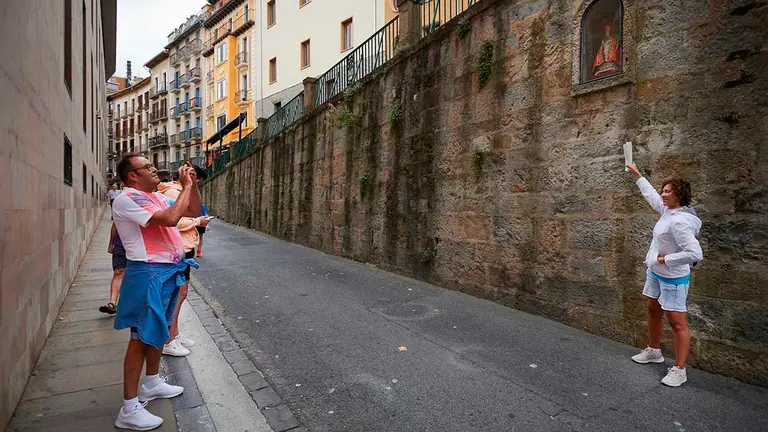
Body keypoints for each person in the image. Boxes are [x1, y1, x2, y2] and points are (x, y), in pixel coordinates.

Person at [111, 153, 201, 430]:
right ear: (132, 176)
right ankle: (128, 408)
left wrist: (193, 185)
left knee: (158, 331)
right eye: (147, 167)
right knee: (139, 338)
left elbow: (192, 211)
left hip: (167, 272)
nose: (154, 169)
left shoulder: (157, 196)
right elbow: (171, 220)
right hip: (147, 274)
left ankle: (151, 383)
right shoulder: (128, 198)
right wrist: (184, 187)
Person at [626, 163, 703, 387]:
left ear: (679, 195)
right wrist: (638, 175)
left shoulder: (680, 221)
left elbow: (695, 253)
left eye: (668, 191)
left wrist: (665, 259)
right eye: (664, 190)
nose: (663, 194)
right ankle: (654, 351)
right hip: (656, 273)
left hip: (673, 278)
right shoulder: (669, 212)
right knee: (653, 310)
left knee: (677, 322)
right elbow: (651, 196)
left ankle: (679, 369)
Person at [157, 180, 209, 356]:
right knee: (177, 295)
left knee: (180, 294)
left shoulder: (182, 193)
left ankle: (174, 334)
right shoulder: (173, 193)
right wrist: (196, 221)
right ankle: (168, 339)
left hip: (184, 248)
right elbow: (173, 221)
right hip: (179, 249)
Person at [99, 223, 125, 315]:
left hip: (141, 246)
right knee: (118, 272)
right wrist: (111, 243)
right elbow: (115, 224)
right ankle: (112, 303)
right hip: (120, 244)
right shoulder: (121, 209)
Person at [193, 165, 209, 257]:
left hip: (199, 222)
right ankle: (197, 250)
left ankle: (198, 250)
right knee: (196, 236)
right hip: (196, 222)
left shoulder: (200, 203)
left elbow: (205, 213)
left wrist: (207, 224)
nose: (198, 186)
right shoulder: (175, 193)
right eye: (199, 183)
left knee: (200, 236)